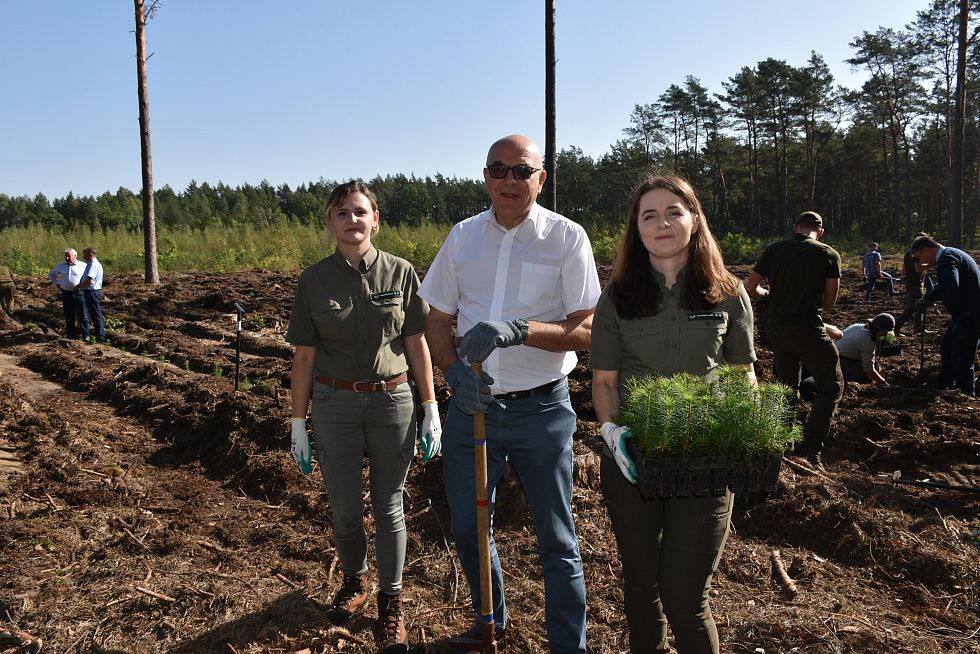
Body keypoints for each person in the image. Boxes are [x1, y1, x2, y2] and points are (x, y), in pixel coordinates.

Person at [419, 134, 599, 653]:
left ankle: (569, 645)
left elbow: (587, 330)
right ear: (485, 177)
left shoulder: (567, 238)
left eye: (522, 171)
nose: (509, 181)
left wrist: (520, 329)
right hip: (475, 409)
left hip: (542, 408)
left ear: (541, 179)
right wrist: (453, 372)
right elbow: (437, 320)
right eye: (498, 170)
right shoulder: (463, 237)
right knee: (470, 525)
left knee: (556, 538)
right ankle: (488, 624)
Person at [591, 176, 756, 654]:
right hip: (634, 459)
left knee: (686, 597)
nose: (662, 222)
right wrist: (613, 432)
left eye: (673, 212)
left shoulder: (726, 292)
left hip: (705, 460)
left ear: (694, 219)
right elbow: (604, 383)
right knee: (641, 589)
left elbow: (741, 375)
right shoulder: (618, 297)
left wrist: (744, 433)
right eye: (649, 215)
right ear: (636, 230)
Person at [285, 181, 441, 653]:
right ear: (330, 222)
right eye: (341, 213)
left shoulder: (401, 272)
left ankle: (390, 602)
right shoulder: (314, 281)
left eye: (360, 212)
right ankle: (355, 580)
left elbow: (417, 344)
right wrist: (298, 421)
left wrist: (431, 406)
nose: (352, 220)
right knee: (346, 506)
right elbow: (305, 357)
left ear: (375, 219)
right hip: (335, 406)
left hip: (393, 402)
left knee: (389, 504)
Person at [745, 211, 843, 464]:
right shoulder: (828, 254)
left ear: (795, 227)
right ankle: (810, 449)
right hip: (809, 327)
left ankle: (781, 441)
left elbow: (750, 288)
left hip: (778, 330)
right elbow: (829, 302)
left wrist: (769, 294)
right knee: (831, 386)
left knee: (786, 386)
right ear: (820, 232)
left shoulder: (774, 249)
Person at [910, 235, 980, 396]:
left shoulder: (948, 258)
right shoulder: (951, 255)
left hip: (970, 314)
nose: (922, 262)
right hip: (963, 314)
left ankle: (966, 396)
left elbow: (950, 284)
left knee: (962, 355)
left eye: (920, 257)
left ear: (927, 250)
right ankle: (946, 387)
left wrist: (926, 298)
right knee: (947, 349)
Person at [801, 314, 894, 399]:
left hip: (827, 355)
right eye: (884, 332)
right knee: (875, 367)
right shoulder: (868, 340)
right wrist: (884, 383)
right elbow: (868, 369)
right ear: (881, 330)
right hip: (840, 362)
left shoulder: (856, 326)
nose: (884, 335)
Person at [893, 233, 935, 336]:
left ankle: (918, 328)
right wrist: (933, 264)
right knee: (914, 307)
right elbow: (918, 268)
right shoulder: (918, 252)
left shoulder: (908, 252)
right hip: (916, 284)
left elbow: (903, 270)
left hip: (912, 283)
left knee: (919, 306)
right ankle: (897, 327)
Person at [47, 248, 89, 340]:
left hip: (79, 293)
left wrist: (84, 286)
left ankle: (86, 335)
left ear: (75, 256)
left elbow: (89, 277)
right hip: (66, 293)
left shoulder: (83, 265)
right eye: (66, 256)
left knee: (83, 315)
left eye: (69, 256)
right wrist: (57, 284)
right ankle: (71, 336)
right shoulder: (61, 265)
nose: (67, 258)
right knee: (69, 316)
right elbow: (51, 274)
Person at [76, 247, 106, 343]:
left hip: (92, 292)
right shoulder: (91, 264)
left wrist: (80, 287)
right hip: (90, 291)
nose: (83, 257)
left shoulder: (93, 265)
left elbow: (89, 280)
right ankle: (97, 335)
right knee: (93, 313)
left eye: (85, 254)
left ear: (90, 254)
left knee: (95, 314)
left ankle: (100, 337)